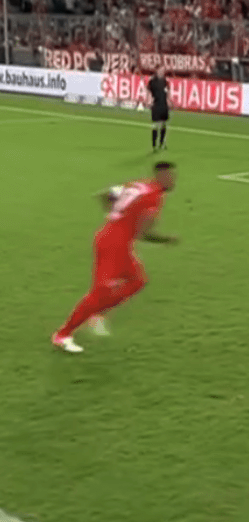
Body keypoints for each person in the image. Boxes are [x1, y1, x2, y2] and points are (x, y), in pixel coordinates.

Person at [52, 162, 179, 354]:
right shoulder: (153, 197)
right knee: (100, 291)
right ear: (160, 176)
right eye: (170, 176)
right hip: (113, 245)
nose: (173, 180)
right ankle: (63, 335)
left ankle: (96, 313)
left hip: (114, 240)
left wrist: (113, 215)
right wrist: (167, 240)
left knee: (137, 281)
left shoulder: (139, 185)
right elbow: (144, 234)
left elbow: (106, 194)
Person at [148, 65, 170, 151]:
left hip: (164, 106)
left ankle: (162, 143)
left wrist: (169, 101)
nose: (162, 71)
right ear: (157, 70)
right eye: (161, 70)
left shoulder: (165, 81)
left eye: (163, 70)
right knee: (155, 126)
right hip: (156, 105)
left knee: (164, 125)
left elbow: (168, 92)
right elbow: (148, 91)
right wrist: (149, 100)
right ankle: (154, 145)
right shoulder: (152, 81)